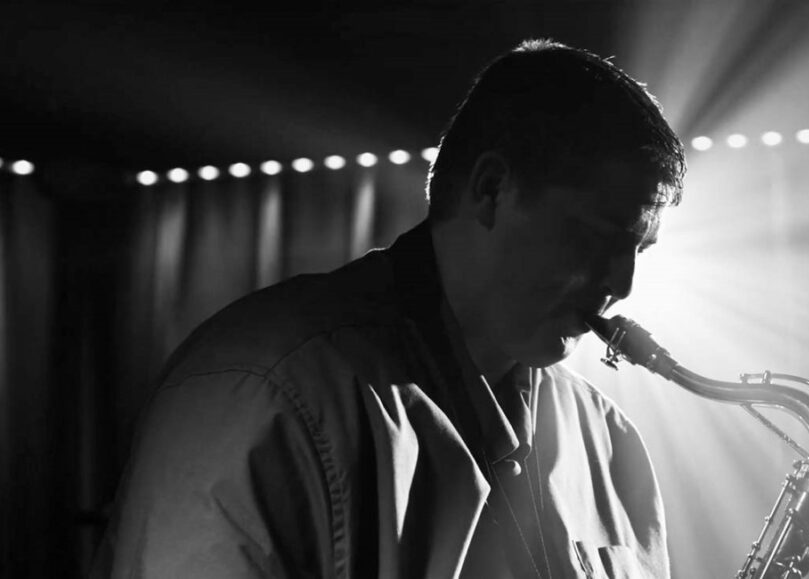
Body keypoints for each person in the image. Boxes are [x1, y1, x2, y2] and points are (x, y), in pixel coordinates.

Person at [92, 39, 686, 578]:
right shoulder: (265, 390)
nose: (623, 283)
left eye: (638, 248)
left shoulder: (608, 439)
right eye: (596, 238)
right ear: (491, 189)